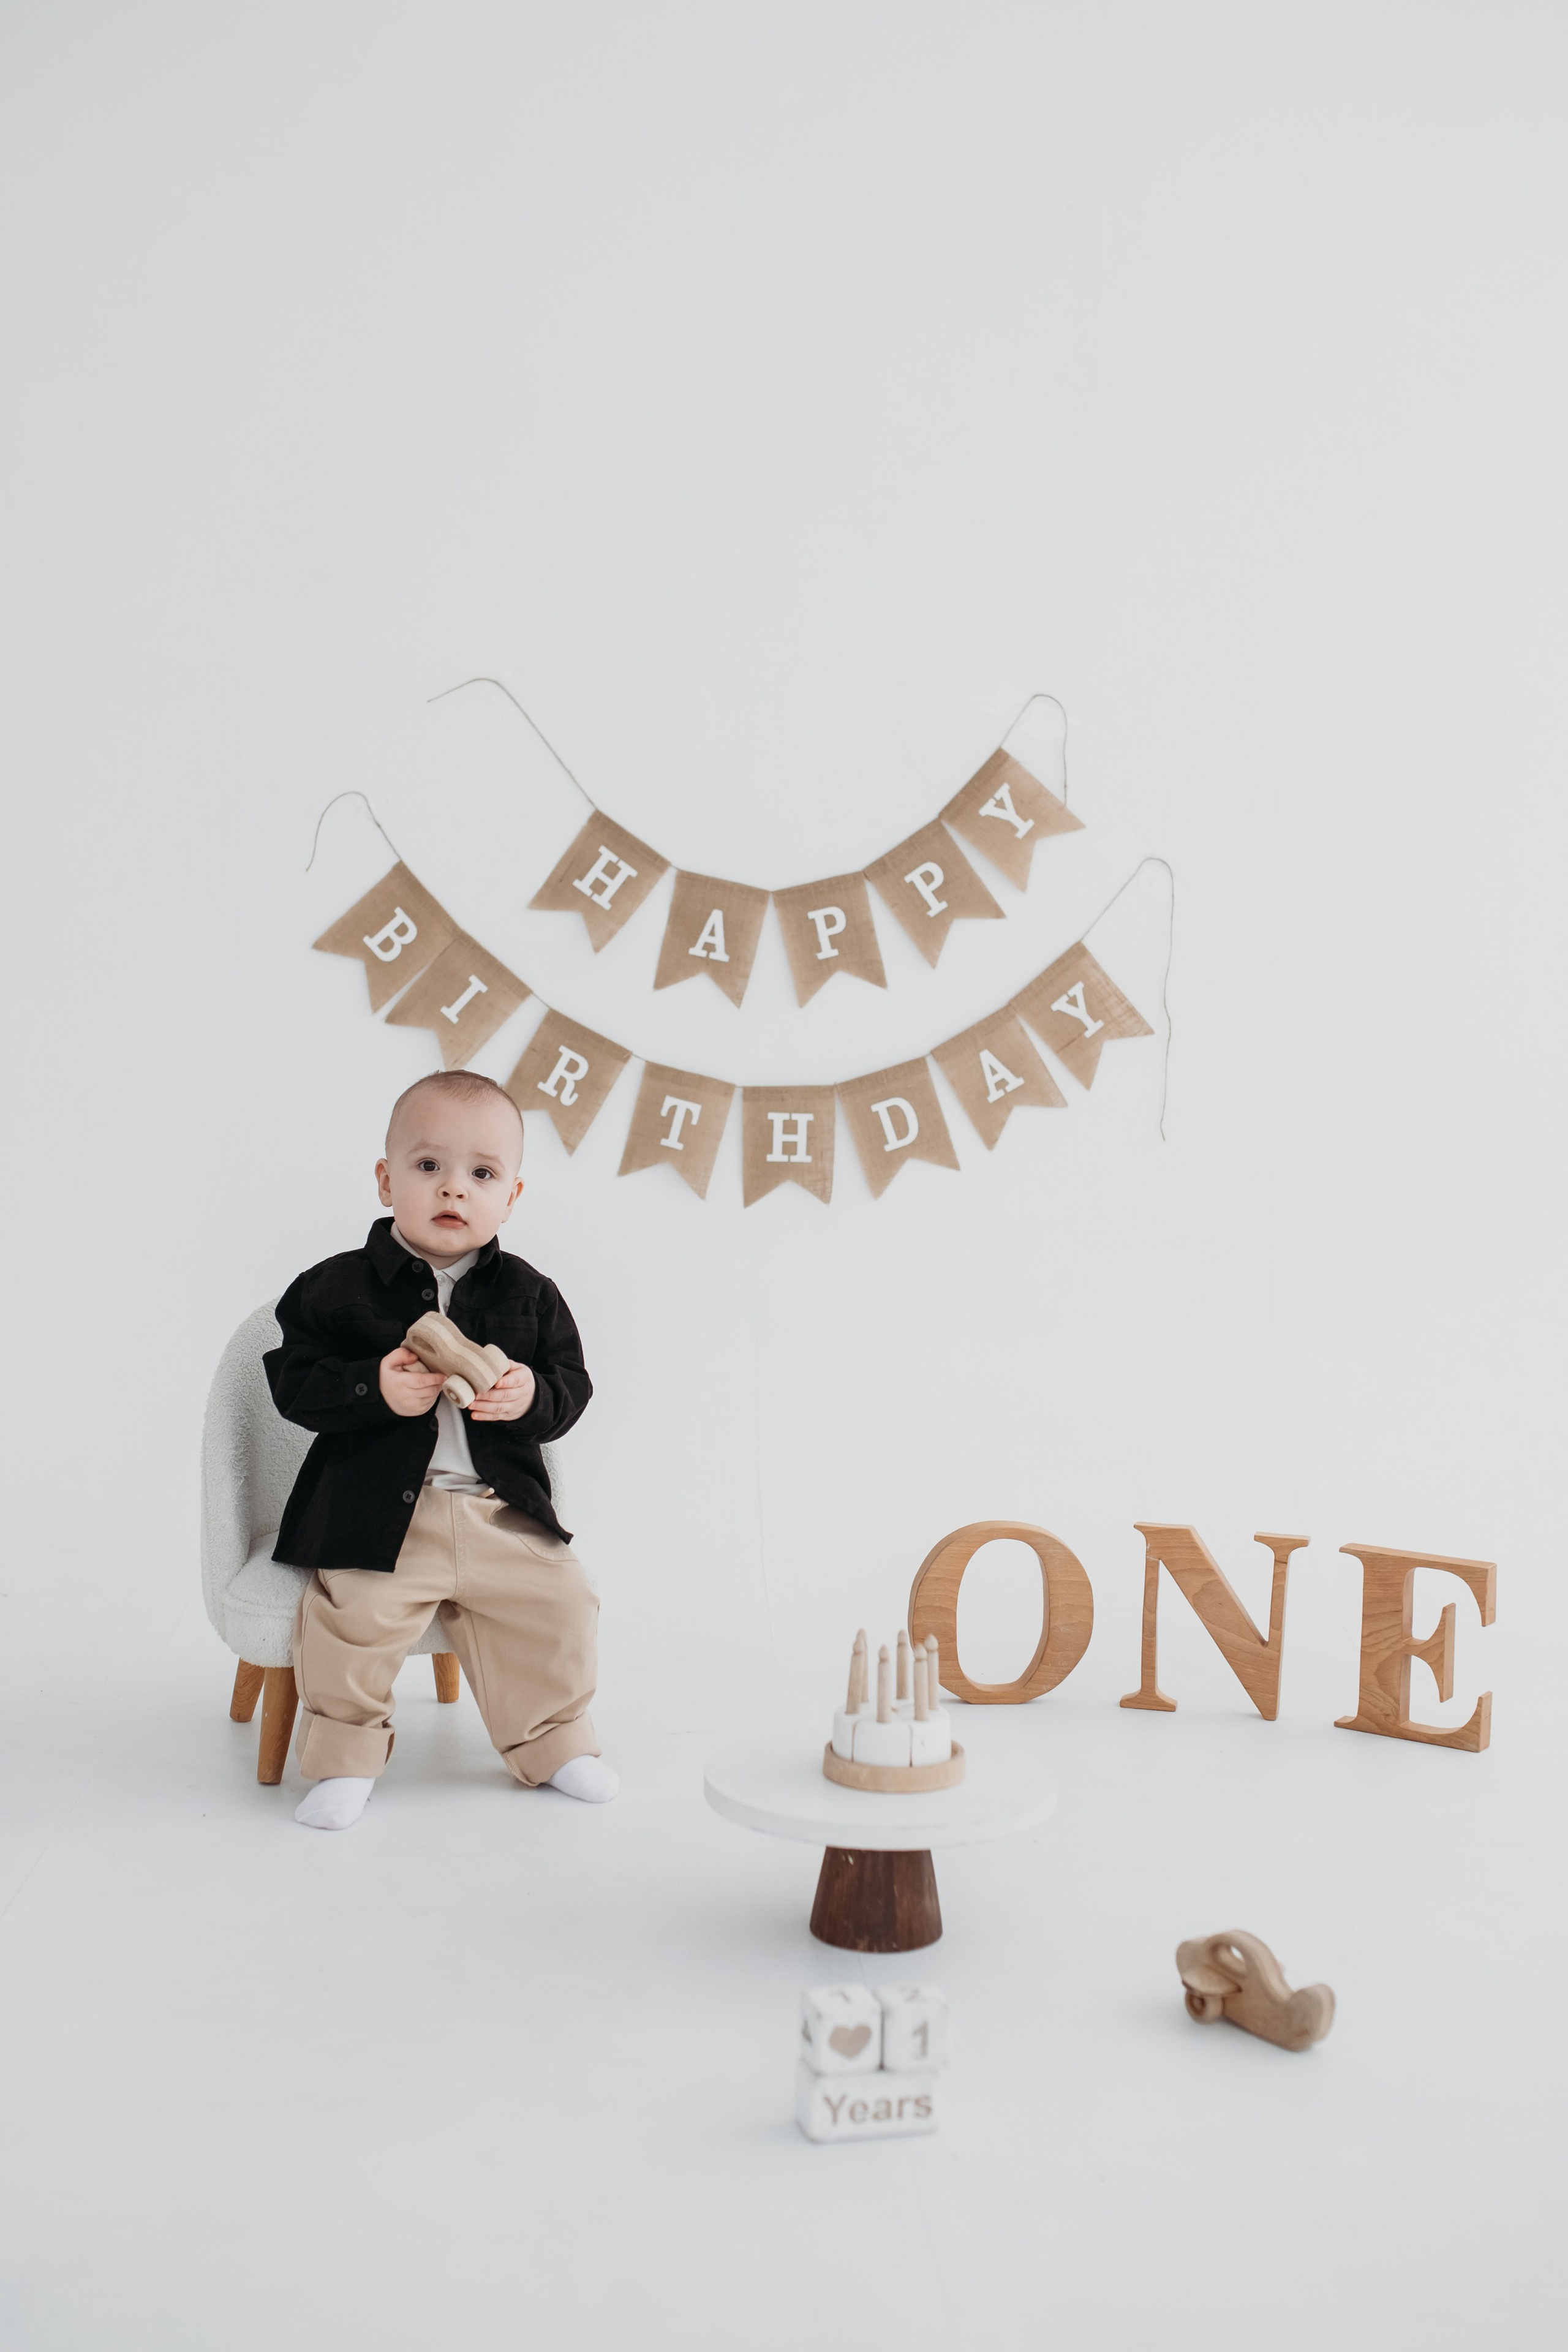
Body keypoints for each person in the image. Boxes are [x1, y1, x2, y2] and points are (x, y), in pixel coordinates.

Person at [264, 1067, 614, 1830]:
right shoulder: (332, 1288)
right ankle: (345, 1759)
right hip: (379, 1514)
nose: (454, 1190)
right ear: (387, 1181)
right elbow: (291, 1384)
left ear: (512, 1196)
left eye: (481, 1174)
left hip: (498, 1511)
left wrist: (530, 1396)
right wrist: (371, 1389)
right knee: (350, 1620)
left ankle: (554, 1743)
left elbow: (571, 1388)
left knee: (561, 1604)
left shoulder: (531, 1293)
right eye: (429, 1168)